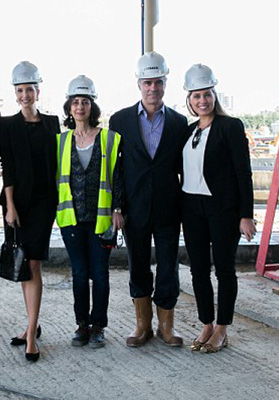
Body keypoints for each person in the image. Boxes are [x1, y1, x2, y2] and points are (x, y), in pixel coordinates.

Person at [109, 52, 187, 348]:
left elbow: (185, 169)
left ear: (165, 83)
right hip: (134, 208)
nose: (153, 88)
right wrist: (117, 206)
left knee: (168, 266)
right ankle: (142, 325)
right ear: (139, 84)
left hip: (168, 208)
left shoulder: (179, 123)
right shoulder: (120, 121)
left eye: (158, 82)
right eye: (147, 83)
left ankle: (167, 326)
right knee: (138, 265)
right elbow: (115, 169)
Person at [180, 64, 255, 353]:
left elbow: (243, 173)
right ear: (189, 99)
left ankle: (222, 328)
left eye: (207, 94)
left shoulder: (230, 127)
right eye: (196, 96)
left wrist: (246, 215)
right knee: (198, 270)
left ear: (214, 95)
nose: (202, 100)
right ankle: (206, 324)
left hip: (223, 208)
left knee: (224, 269)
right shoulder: (189, 132)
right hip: (191, 207)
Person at [0, 61, 60, 362]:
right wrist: (10, 207)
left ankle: (32, 334)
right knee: (24, 265)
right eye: (20, 90)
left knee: (33, 264)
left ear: (38, 90)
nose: (25, 95)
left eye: (29, 89)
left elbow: (58, 164)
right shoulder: (7, 125)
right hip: (18, 205)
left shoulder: (52, 123)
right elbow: (7, 166)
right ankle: (31, 325)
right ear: (15, 92)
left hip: (43, 204)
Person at [57, 75, 123, 349]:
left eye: (85, 101)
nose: (80, 107)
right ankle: (82, 325)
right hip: (71, 219)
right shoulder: (61, 141)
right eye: (75, 102)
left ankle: (98, 327)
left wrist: (118, 209)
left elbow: (118, 176)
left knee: (100, 274)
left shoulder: (109, 138)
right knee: (79, 274)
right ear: (69, 107)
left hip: (102, 219)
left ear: (92, 106)